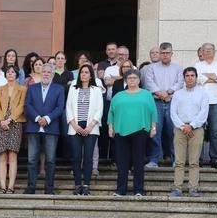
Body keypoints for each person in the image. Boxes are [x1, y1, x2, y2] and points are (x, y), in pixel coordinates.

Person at [108, 69, 157, 196]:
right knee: (122, 162)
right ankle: (120, 190)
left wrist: (153, 127)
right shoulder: (118, 95)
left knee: (138, 162)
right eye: (129, 78)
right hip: (121, 132)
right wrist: (110, 127)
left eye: (134, 78)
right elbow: (111, 113)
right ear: (126, 80)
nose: (132, 80)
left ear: (139, 80)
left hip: (140, 131)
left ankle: (139, 190)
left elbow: (153, 112)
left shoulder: (146, 94)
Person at [24, 63, 65, 194]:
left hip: (51, 127)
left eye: (49, 72)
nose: (46, 74)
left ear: (53, 75)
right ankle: (31, 188)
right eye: (44, 72)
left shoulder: (59, 89)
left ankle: (49, 189)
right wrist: (37, 118)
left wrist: (47, 118)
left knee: (51, 160)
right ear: (40, 74)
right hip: (33, 127)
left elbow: (60, 107)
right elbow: (27, 105)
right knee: (31, 160)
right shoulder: (32, 88)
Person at [170, 67, 209, 197]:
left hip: (196, 129)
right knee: (179, 161)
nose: (190, 78)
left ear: (196, 77)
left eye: (192, 75)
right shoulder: (177, 94)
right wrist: (183, 126)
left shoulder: (203, 93)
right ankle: (177, 188)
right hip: (180, 129)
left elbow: (203, 113)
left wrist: (191, 126)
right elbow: (173, 113)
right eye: (187, 75)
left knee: (194, 161)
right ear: (184, 77)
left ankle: (193, 188)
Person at [143, 42, 183, 168]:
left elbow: (180, 82)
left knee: (173, 131)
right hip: (156, 102)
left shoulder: (178, 68)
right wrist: (161, 94)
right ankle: (153, 160)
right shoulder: (151, 68)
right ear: (159, 53)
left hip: (172, 102)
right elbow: (149, 83)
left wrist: (168, 92)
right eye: (163, 53)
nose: (165, 55)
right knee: (155, 131)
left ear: (172, 53)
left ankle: (174, 158)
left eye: (167, 53)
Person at [66, 64, 103, 195]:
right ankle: (77, 185)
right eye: (82, 72)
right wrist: (75, 125)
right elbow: (68, 107)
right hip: (75, 127)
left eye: (87, 72)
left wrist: (90, 126)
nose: (84, 74)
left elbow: (99, 110)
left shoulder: (96, 90)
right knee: (76, 157)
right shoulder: (73, 88)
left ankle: (86, 185)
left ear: (91, 75)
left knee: (88, 157)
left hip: (90, 128)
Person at [0, 64, 26, 193]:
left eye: (13, 72)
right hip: (0, 123)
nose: (10, 74)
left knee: (12, 155)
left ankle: (11, 186)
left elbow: (21, 106)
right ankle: (2, 186)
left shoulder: (22, 89)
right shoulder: (0, 89)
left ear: (17, 74)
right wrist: (2, 120)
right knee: (2, 155)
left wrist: (10, 119)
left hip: (15, 123)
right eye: (8, 72)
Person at [194, 43, 217, 169]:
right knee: (198, 130)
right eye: (205, 50)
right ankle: (198, 158)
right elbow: (197, 79)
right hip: (200, 102)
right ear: (202, 51)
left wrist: (205, 76)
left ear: (214, 51)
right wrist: (212, 76)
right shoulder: (197, 65)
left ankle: (215, 158)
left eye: (210, 49)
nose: (207, 51)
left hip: (216, 101)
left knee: (216, 131)